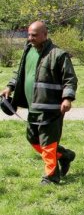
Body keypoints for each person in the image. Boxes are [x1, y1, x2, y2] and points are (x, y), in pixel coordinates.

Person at [0, 21, 78, 185]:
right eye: (28, 34)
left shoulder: (58, 54)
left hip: (51, 108)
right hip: (33, 106)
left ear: (45, 34)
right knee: (33, 139)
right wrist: (10, 87)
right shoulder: (28, 50)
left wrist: (67, 98)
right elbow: (20, 72)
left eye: (34, 35)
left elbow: (70, 79)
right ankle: (64, 156)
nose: (30, 38)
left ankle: (50, 177)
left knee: (48, 142)